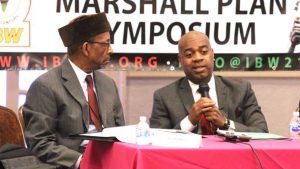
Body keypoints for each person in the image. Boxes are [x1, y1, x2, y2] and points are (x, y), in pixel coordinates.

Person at [23, 13, 125, 169]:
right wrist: (82, 161)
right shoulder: (45, 86)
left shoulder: (108, 84)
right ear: (86, 48)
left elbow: (120, 132)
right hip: (70, 164)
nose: (111, 50)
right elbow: (39, 143)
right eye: (106, 43)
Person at [150, 31, 268, 135]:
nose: (197, 58)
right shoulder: (164, 97)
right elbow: (156, 141)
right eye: (189, 55)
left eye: (203, 51)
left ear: (212, 54)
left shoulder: (241, 90)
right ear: (180, 60)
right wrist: (190, 121)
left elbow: (262, 132)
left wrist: (225, 123)